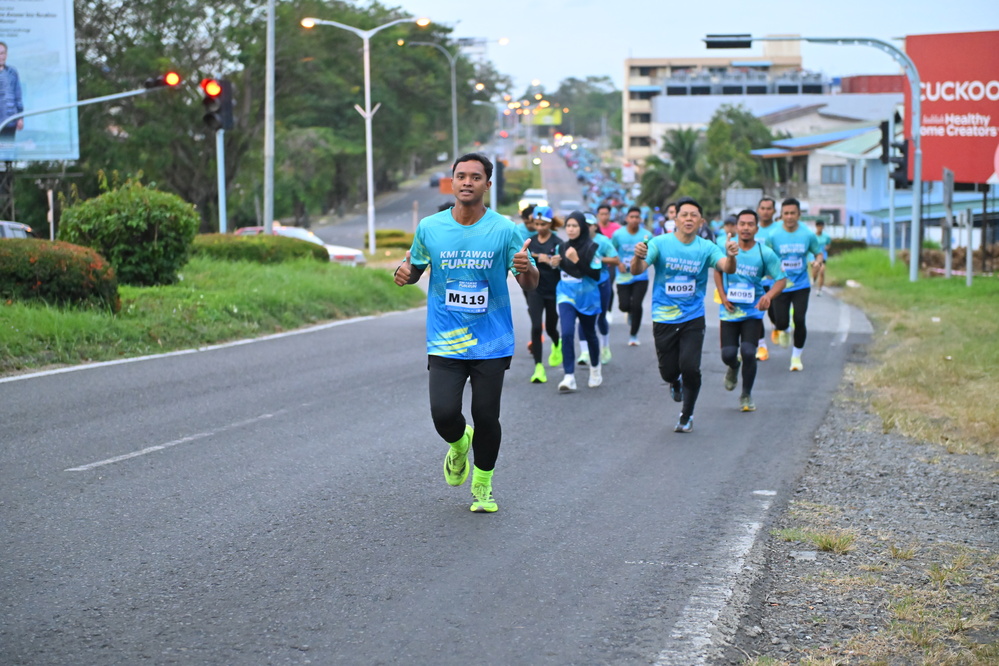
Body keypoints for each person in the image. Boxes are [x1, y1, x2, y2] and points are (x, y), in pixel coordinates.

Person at [394, 153, 538, 513]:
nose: (467, 182)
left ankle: (483, 484)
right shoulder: (431, 227)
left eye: (475, 177)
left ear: (487, 184)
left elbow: (530, 283)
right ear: (453, 181)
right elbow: (415, 267)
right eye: (461, 176)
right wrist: (404, 273)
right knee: (443, 413)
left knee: (486, 415)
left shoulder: (504, 230)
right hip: (445, 339)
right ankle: (460, 444)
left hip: (492, 341)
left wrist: (525, 268)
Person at [631, 196, 737, 433]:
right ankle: (674, 381)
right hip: (664, 317)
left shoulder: (707, 247)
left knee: (690, 367)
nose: (689, 219)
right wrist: (637, 256)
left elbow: (726, 267)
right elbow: (637, 269)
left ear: (701, 221)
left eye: (693, 215)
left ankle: (686, 415)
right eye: (684, 215)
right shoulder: (659, 243)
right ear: (675, 219)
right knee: (668, 371)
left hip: (692, 316)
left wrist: (731, 256)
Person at [713, 209, 787, 412]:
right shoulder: (725, 247)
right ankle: (733, 366)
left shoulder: (765, 253)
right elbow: (718, 272)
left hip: (753, 311)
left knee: (748, 351)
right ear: (736, 227)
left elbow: (781, 280)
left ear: (757, 228)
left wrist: (768, 296)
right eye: (742, 224)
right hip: (729, 310)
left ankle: (746, 394)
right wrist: (723, 295)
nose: (746, 228)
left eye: (750, 224)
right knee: (728, 354)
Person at [767, 197, 824, 372]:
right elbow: (767, 256)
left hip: (801, 285)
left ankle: (796, 357)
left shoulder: (807, 234)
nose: (789, 217)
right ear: (781, 215)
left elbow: (818, 253)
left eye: (793, 213)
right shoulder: (773, 235)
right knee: (781, 322)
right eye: (786, 213)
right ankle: (783, 329)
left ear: (799, 215)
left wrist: (817, 262)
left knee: (799, 319)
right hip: (780, 285)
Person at [555, 211, 604, 392]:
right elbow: (560, 271)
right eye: (568, 225)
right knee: (567, 332)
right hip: (566, 295)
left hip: (587, 297)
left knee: (590, 333)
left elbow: (595, 275)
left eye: (574, 226)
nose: (571, 229)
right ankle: (569, 376)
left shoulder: (593, 247)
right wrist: (554, 264)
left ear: (582, 227)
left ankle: (595, 369)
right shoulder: (561, 247)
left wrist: (576, 260)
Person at [525, 205, 562, 383]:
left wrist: (555, 262)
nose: (539, 227)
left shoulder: (558, 243)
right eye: (537, 224)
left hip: (553, 290)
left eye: (543, 224)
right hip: (535, 290)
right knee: (536, 327)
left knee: (551, 327)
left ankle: (557, 343)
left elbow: (566, 266)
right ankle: (538, 367)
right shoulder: (530, 242)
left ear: (550, 223)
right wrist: (533, 258)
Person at [577, 212, 618, 366]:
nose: (586, 228)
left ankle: (605, 346)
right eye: (584, 225)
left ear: (595, 226)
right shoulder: (576, 241)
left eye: (589, 225)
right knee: (583, 316)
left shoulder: (603, 241)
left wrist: (598, 259)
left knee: (601, 317)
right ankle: (584, 352)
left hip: (601, 283)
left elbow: (615, 260)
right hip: (584, 285)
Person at [611, 206, 651, 346]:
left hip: (641, 276)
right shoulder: (618, 234)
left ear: (640, 219)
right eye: (632, 217)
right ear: (627, 218)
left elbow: (652, 253)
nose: (634, 219)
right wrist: (618, 263)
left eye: (637, 217)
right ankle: (629, 312)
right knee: (624, 306)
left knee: (637, 305)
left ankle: (633, 335)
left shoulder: (647, 235)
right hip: (623, 276)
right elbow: (612, 251)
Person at [754, 196, 779, 362]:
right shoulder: (752, 229)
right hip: (756, 280)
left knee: (775, 313)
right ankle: (761, 345)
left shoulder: (779, 230)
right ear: (758, 210)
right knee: (757, 313)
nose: (765, 212)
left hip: (775, 281)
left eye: (769, 208)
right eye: (762, 208)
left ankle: (777, 325)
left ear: (774, 211)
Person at [0, 42, 24, 145]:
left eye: (2, 53)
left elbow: (17, 97)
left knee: (8, 150)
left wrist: (20, 118)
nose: (1, 56)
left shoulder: (12, 72)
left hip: (10, 121)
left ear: (6, 55)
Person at [810, 220, 832, 296]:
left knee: (822, 271)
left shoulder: (826, 236)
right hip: (813, 255)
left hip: (822, 256)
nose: (820, 227)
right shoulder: (812, 236)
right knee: (815, 270)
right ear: (816, 226)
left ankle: (819, 289)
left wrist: (826, 248)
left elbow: (828, 244)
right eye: (818, 226)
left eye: (821, 226)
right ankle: (813, 278)